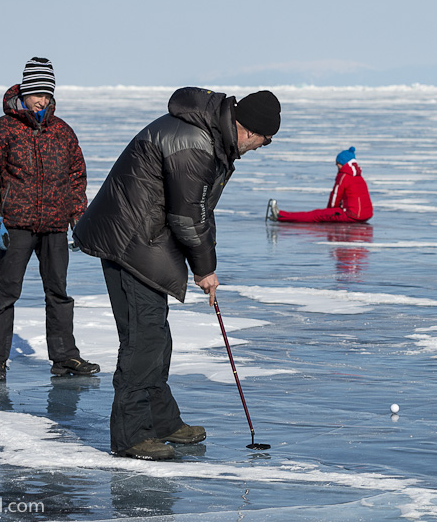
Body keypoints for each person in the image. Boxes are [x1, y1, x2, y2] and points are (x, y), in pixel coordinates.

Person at [72, 87, 281, 461]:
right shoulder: (195, 143)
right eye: (263, 143)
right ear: (248, 131)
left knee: (155, 335)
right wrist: (205, 270)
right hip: (131, 239)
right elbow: (187, 215)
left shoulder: (209, 138)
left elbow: (200, 209)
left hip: (144, 237)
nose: (258, 150)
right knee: (143, 339)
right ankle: (131, 436)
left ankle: (162, 420)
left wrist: (207, 264)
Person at [0, 57, 99, 382]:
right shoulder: (1, 130)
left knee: (59, 292)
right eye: (37, 93)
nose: (43, 99)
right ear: (24, 92)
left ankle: (64, 357)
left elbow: (76, 177)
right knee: (6, 293)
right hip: (15, 225)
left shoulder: (62, 132)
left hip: (55, 225)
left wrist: (78, 218)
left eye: (48, 93)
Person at [267, 146, 373, 223]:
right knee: (320, 214)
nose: (338, 167)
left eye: (338, 164)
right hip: (365, 215)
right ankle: (282, 215)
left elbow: (336, 195)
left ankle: (281, 215)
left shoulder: (344, 175)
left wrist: (329, 212)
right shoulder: (358, 176)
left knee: (316, 215)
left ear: (343, 164)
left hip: (352, 215)